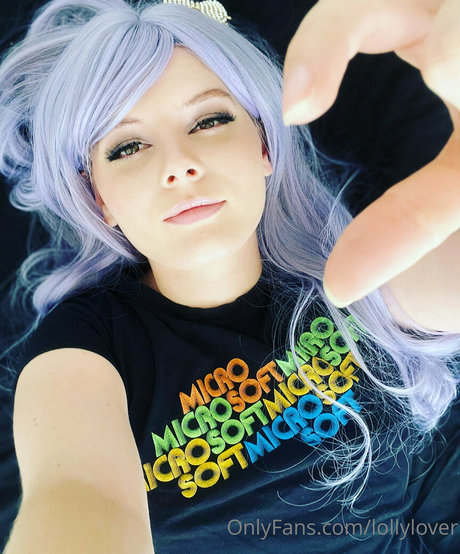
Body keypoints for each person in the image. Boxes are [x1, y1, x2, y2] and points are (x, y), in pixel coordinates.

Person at [0, 0, 458, 552]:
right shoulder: (83, 349)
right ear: (100, 199)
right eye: (128, 146)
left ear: (264, 145)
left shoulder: (359, 266)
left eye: (209, 120)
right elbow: (76, 495)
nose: (179, 165)